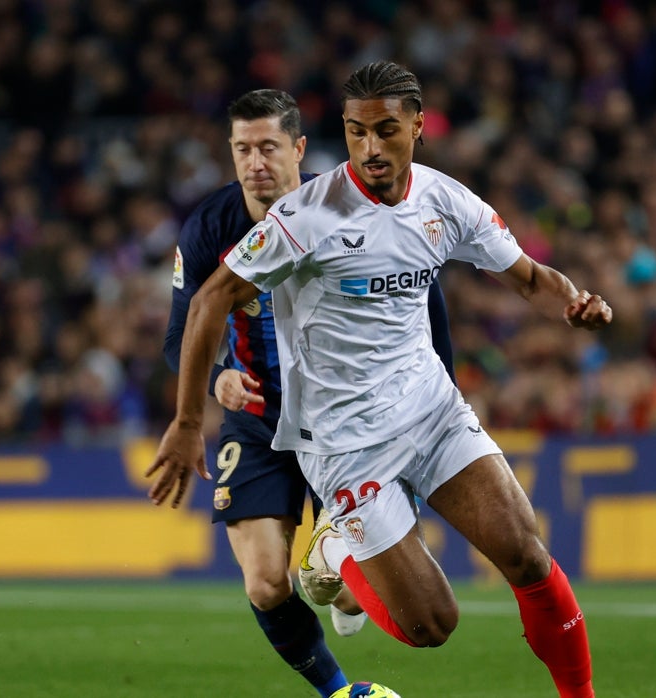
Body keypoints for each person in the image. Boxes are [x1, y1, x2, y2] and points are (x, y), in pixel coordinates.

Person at [148, 61, 608, 698]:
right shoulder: (306, 216)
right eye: (357, 133)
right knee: (432, 625)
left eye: (386, 131)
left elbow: (527, 276)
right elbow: (206, 303)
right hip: (343, 441)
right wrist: (188, 421)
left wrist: (572, 302)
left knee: (527, 554)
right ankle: (333, 552)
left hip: (430, 411)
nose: (370, 149)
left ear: (417, 127)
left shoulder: (445, 201)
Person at [163, 88, 456, 697]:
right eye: (243, 148)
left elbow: (424, 302)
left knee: (348, 586)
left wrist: (432, 408)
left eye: (268, 146)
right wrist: (217, 375)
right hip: (259, 419)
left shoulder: (351, 207)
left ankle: (343, 581)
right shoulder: (206, 228)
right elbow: (178, 333)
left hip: (346, 422)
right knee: (267, 583)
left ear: (298, 148)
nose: (255, 162)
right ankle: (340, 692)